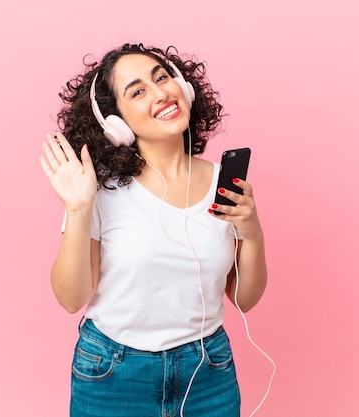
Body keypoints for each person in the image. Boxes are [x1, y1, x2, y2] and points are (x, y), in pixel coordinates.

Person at [40, 43, 268, 417]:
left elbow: (244, 300)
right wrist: (79, 209)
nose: (161, 93)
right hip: (112, 372)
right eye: (138, 91)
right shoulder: (98, 190)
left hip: (208, 371)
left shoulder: (223, 183)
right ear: (116, 123)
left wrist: (252, 232)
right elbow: (70, 299)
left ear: (184, 86)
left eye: (162, 77)